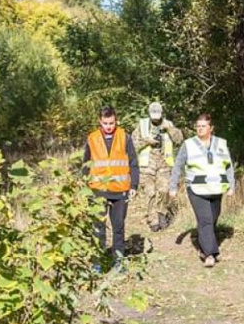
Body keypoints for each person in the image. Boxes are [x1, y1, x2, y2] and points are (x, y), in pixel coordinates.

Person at [169, 113, 235, 267]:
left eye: (203, 126)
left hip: (216, 188)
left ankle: (203, 246)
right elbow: (178, 166)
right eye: (198, 126)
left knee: (212, 219)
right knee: (205, 220)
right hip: (196, 189)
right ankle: (210, 254)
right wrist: (173, 187)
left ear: (211, 128)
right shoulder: (189, 144)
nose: (200, 129)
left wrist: (232, 185)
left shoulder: (221, 144)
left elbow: (228, 165)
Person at [83, 106, 139, 272]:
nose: (109, 126)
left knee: (118, 227)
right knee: (97, 228)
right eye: (105, 123)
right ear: (100, 121)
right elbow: (85, 164)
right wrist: (83, 186)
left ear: (116, 120)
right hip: (97, 190)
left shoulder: (125, 137)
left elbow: (133, 163)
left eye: (111, 122)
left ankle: (119, 263)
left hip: (120, 191)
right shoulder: (92, 138)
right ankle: (97, 263)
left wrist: (134, 185)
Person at [132, 102, 183, 232]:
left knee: (164, 190)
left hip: (164, 164)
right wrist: (146, 141)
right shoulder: (142, 125)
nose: (156, 118)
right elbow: (132, 144)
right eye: (153, 115)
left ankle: (162, 214)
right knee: (150, 192)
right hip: (147, 165)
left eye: (158, 115)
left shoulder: (168, 124)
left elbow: (179, 140)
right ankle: (153, 219)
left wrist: (169, 130)